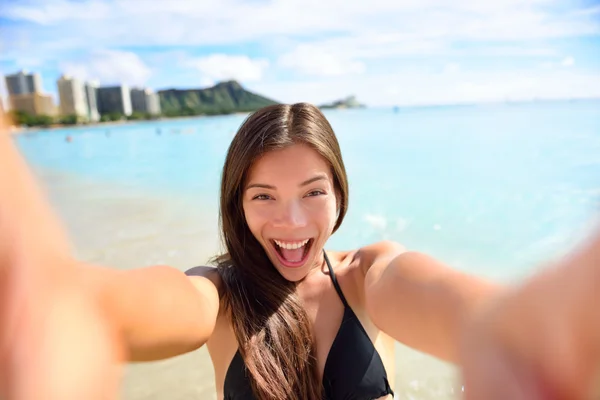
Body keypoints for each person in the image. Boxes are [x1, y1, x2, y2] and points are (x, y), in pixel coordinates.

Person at [0, 103, 598, 400]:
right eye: (263, 196)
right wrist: (64, 302)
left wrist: (524, 329)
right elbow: (134, 306)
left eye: (313, 192)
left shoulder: (368, 276)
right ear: (237, 203)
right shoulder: (217, 294)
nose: (290, 221)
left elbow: (464, 313)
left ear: (340, 194)